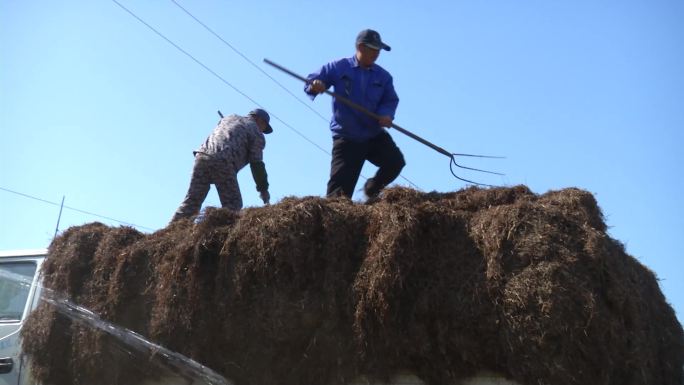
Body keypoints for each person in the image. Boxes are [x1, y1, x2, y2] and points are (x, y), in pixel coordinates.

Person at [305, 29, 405, 200]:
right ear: (360, 47)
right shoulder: (339, 67)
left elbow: (390, 100)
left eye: (378, 50)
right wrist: (316, 85)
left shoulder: (383, 77)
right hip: (347, 138)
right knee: (338, 197)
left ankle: (371, 190)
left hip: (373, 135)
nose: (376, 54)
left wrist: (386, 115)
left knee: (395, 162)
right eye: (373, 49)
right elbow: (313, 81)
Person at [170, 108, 273, 222]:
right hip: (223, 161)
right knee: (233, 205)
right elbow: (256, 163)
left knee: (192, 201)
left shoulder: (229, 118)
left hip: (202, 157)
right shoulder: (256, 133)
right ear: (260, 120)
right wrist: (263, 189)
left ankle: (168, 234)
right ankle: (221, 236)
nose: (263, 131)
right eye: (264, 127)